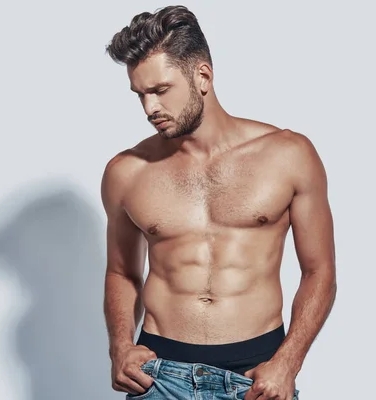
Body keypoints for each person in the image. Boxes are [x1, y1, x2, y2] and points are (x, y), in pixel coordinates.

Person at [101, 5, 337, 399]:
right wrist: (120, 347)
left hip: (258, 378)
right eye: (140, 94)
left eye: (160, 91)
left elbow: (320, 272)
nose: (149, 109)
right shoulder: (127, 172)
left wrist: (288, 362)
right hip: (159, 378)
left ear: (203, 76)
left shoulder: (288, 155)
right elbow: (122, 273)